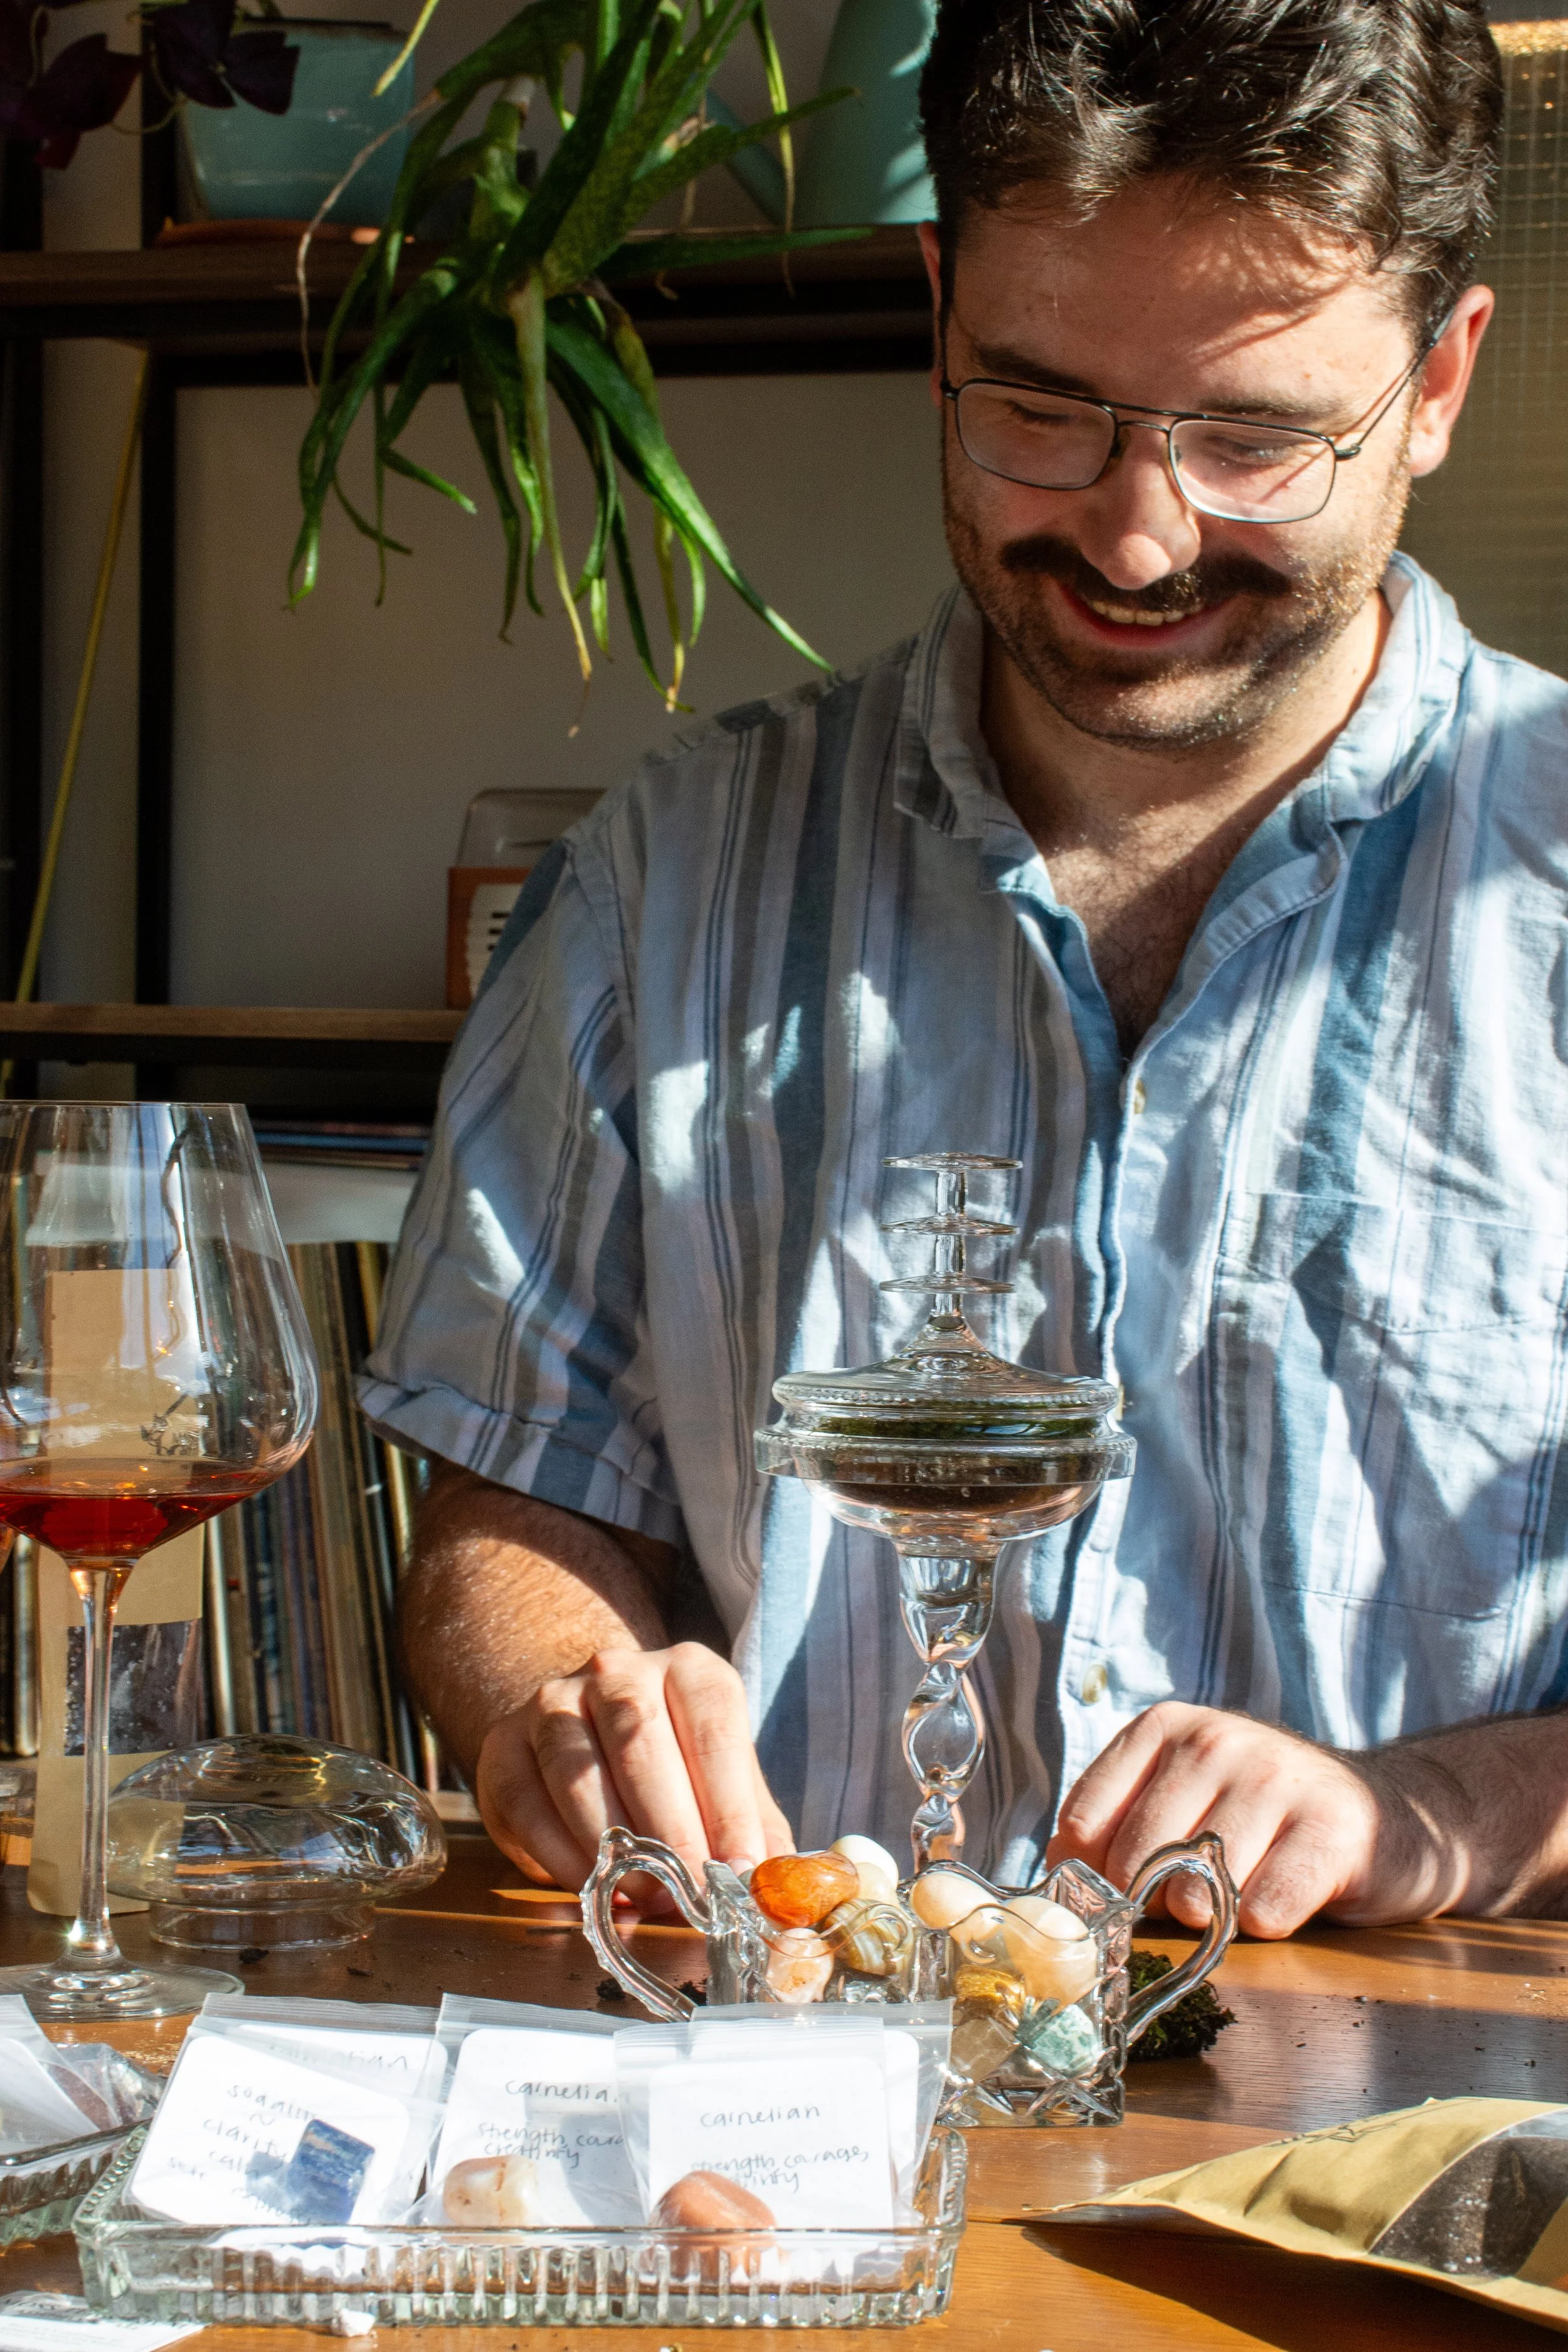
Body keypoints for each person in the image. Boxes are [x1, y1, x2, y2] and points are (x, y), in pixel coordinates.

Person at [361, 0, 1568, 1939]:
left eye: (1252, 436)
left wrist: (1421, 1810)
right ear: (938, 310)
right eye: (1039, 405)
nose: (1135, 527)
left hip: (1400, 2176)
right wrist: (566, 1700)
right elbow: (519, 1502)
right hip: (784, 2127)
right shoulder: (667, 876)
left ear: (1436, 383)